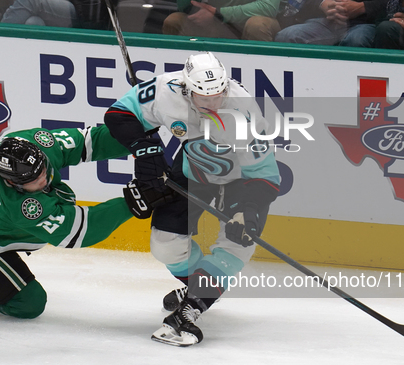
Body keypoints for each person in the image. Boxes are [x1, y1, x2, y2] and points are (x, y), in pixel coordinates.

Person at [104, 52, 281, 346]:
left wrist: (247, 211)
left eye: (219, 95)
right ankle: (201, 288)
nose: (213, 104)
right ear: (187, 89)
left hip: (242, 179)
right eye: (204, 98)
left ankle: (195, 304)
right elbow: (119, 113)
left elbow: (265, 175)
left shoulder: (244, 110)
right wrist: (144, 146)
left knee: (240, 240)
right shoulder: (165, 90)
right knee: (164, 244)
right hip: (193, 170)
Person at [0, 125, 140, 319]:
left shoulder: (32, 143)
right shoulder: (18, 207)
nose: (43, 177)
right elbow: (81, 230)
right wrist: (133, 202)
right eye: (33, 180)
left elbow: (91, 141)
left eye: (42, 168)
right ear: (12, 183)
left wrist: (137, 138)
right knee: (27, 303)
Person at [275, 0, 387, 47]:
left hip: (367, 23)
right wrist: (322, 4)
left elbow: (397, 4)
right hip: (327, 22)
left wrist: (363, 7)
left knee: (356, 39)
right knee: (287, 36)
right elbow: (302, 4)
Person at [162, 0, 286, 41]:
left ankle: (263, 73)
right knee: (175, 20)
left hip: (250, 23)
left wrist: (219, 13)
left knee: (257, 25)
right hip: (216, 21)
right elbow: (184, 7)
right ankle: (180, 81)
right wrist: (196, 8)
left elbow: (268, 7)